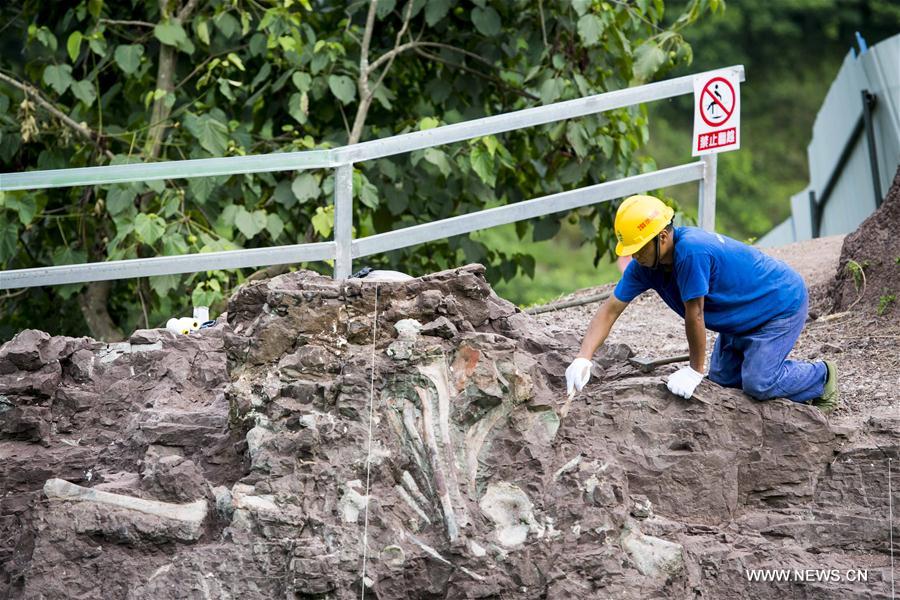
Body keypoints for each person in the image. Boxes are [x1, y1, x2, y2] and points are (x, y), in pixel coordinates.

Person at [565, 194, 839, 412]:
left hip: (778, 305)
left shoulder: (692, 252)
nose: (634, 256)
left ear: (662, 237)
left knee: (758, 383)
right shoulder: (646, 265)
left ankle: (821, 377)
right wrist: (583, 357)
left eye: (638, 249)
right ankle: (764, 362)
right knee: (722, 381)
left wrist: (695, 370)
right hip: (740, 318)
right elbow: (610, 309)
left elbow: (694, 314)